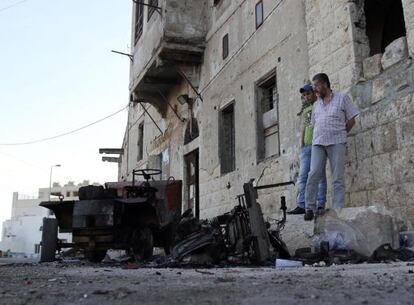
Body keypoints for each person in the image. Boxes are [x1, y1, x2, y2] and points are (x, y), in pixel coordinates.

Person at [304, 73, 360, 221]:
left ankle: (338, 209)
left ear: (325, 85)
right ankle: (310, 207)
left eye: (316, 86)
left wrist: (341, 134)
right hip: (318, 142)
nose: (315, 89)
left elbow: (352, 120)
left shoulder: (342, 98)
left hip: (337, 142)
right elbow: (315, 123)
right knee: (313, 173)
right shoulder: (316, 105)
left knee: (337, 178)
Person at [288, 84, 327, 215]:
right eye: (304, 95)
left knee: (320, 175)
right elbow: (304, 127)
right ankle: (302, 205)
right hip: (306, 147)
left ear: (314, 93)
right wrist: (302, 144)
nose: (306, 97)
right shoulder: (306, 110)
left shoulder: (321, 105)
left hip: (318, 145)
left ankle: (320, 204)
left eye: (308, 94)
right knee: (303, 175)